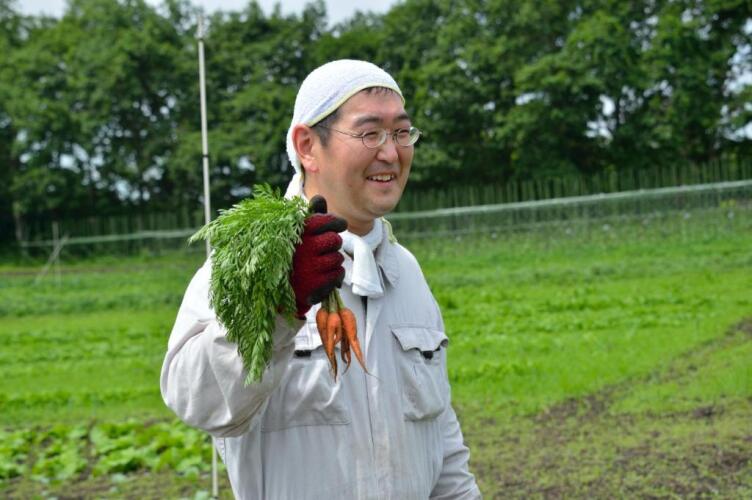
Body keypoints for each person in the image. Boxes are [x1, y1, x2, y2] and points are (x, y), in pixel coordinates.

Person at [160, 59, 481, 499]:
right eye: (370, 133)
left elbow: (441, 443)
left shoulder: (405, 272)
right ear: (308, 146)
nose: (391, 153)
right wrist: (278, 306)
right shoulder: (251, 262)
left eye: (402, 133)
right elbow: (198, 402)